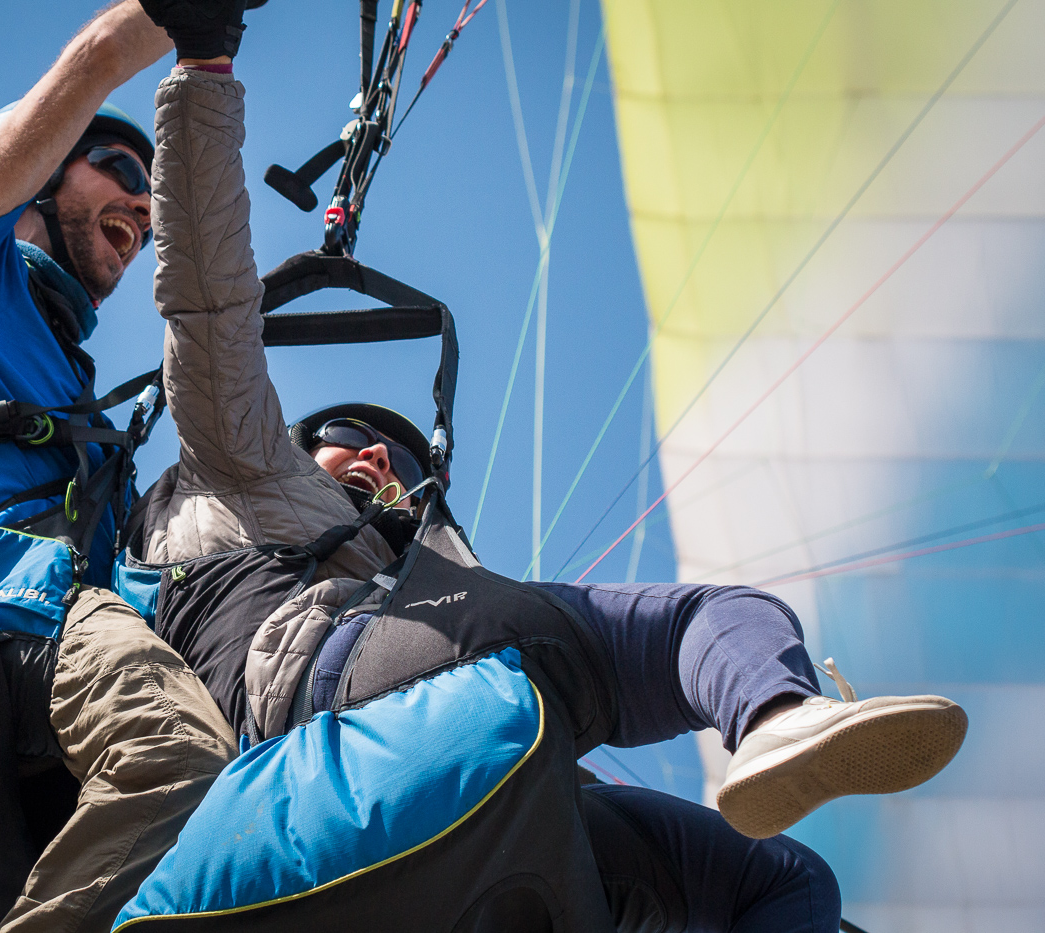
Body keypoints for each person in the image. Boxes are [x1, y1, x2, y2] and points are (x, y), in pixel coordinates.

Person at [123, 2, 968, 929]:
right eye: (342, 437)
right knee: (649, 623)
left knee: (785, 882)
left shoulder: (427, 564)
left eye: (399, 459)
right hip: (317, 707)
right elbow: (208, 303)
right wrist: (203, 71)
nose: (373, 454)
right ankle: (744, 713)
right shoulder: (237, 468)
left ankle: (774, 721)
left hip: (473, 743)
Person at [0, 3, 248, 931]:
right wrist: (182, 32)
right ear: (41, 177)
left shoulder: (82, 411)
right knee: (178, 755)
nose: (141, 204)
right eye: (118, 170)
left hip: (41, 658)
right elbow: (88, 66)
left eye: (154, 197)